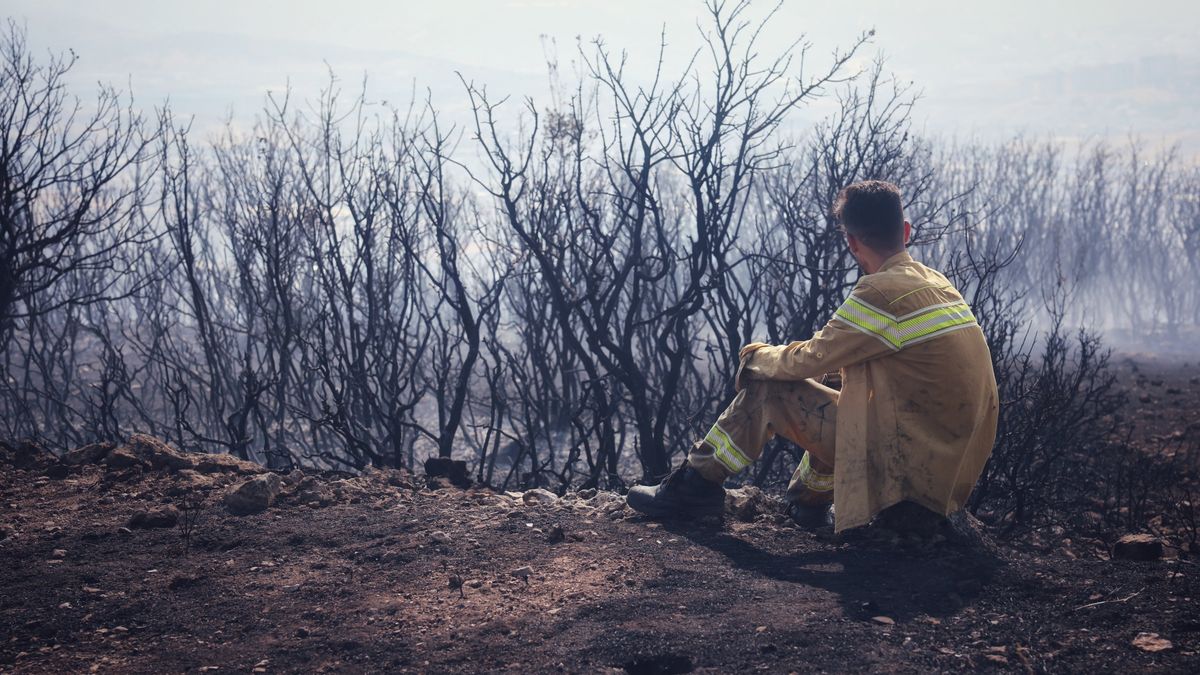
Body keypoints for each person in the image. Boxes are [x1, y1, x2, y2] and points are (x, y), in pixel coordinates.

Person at [626, 180, 999, 531]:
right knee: (841, 378)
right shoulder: (937, 284)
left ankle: (693, 487)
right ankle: (808, 503)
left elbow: (809, 358)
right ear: (905, 231)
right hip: (945, 467)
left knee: (771, 390)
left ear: (853, 243)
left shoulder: (880, 293)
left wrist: (756, 358)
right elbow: (835, 362)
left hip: (908, 472)